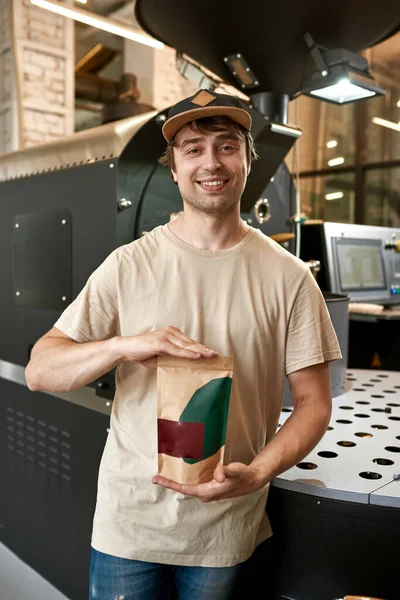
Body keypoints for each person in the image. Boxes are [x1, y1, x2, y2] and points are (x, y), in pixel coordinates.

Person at [25, 88, 342, 600]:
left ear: (246, 159)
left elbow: (313, 403)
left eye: (226, 145)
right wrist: (123, 346)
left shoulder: (289, 278)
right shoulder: (127, 265)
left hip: (226, 527)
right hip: (130, 524)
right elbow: (42, 371)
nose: (210, 162)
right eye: (192, 149)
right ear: (173, 168)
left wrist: (258, 471)